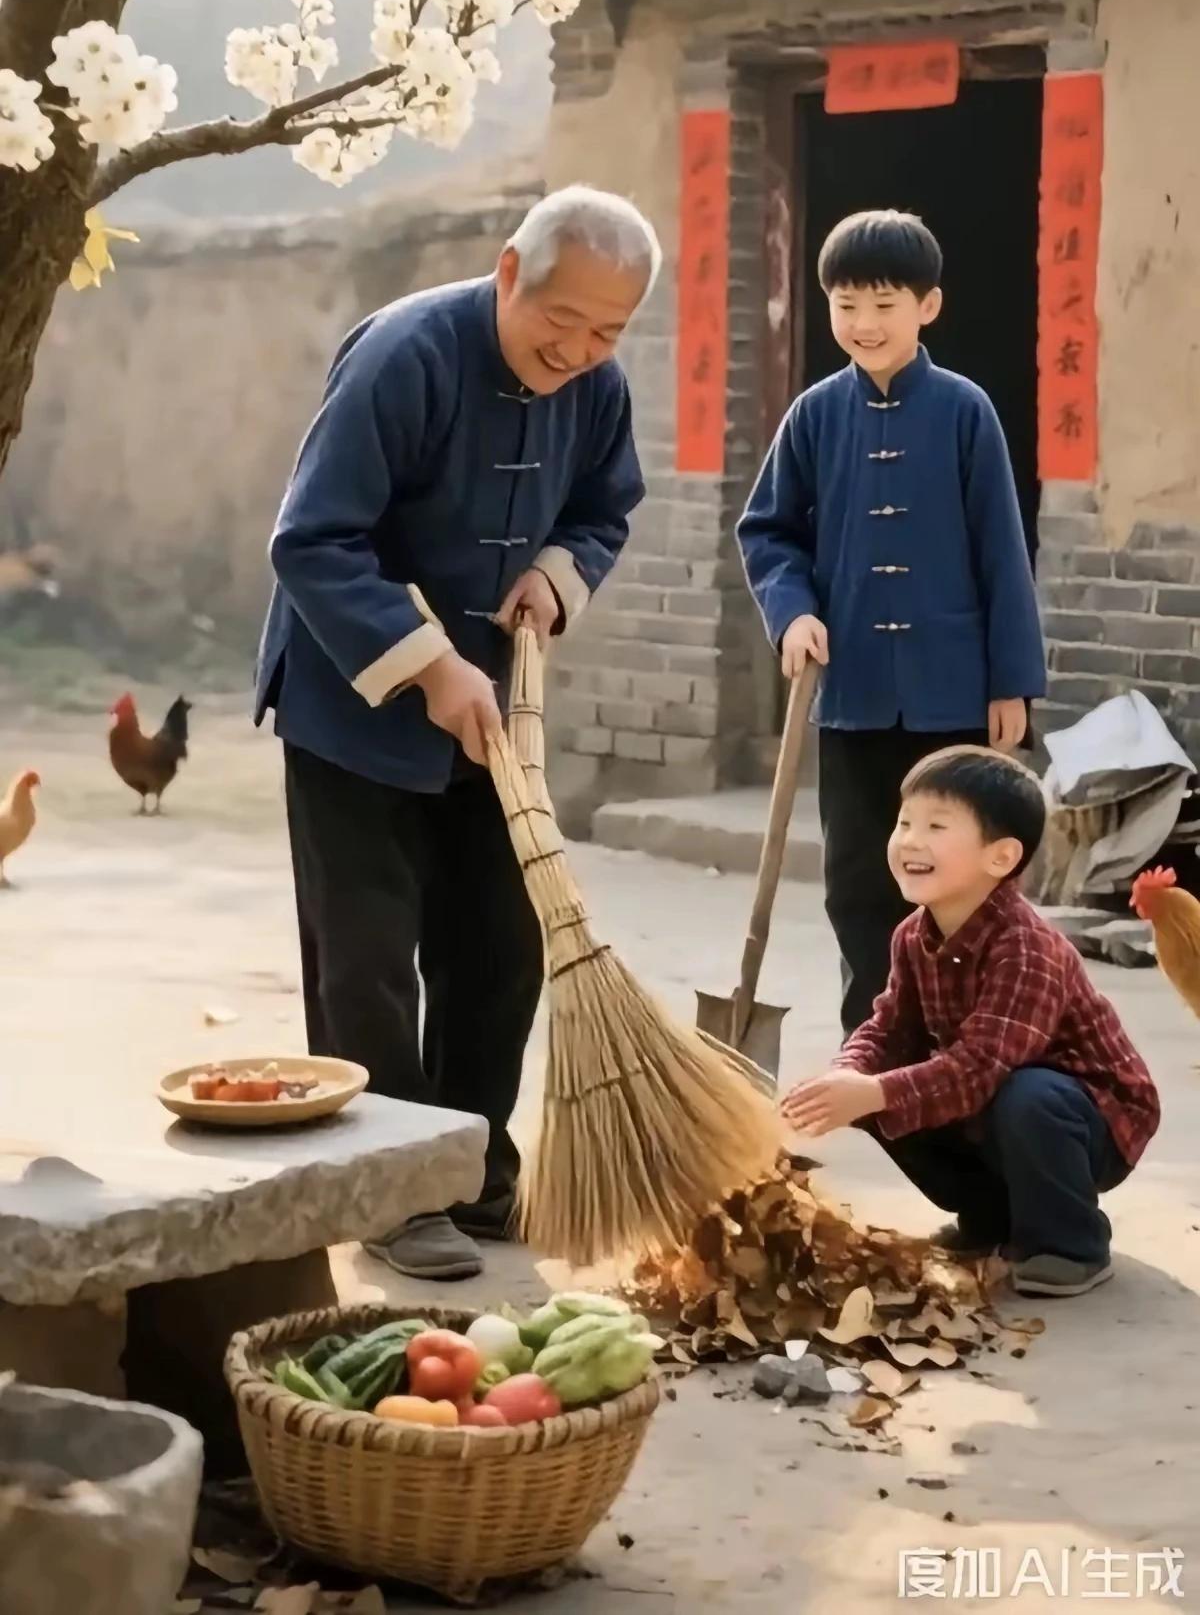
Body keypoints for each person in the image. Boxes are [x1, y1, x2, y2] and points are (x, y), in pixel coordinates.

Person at [256, 184, 659, 1282]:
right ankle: (388, 1187)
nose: (577, 349)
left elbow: (603, 507)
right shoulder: (403, 356)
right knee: (369, 956)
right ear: (508, 271)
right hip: (354, 698)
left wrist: (555, 575)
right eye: (561, 320)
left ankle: (471, 1165)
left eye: (608, 331)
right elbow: (311, 538)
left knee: (499, 942)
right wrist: (427, 664)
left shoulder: (599, 388)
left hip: (492, 702)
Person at [737, 209, 1046, 1035]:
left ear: (928, 307)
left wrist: (1012, 680)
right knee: (859, 881)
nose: (864, 324)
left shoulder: (964, 411)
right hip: (851, 699)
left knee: (956, 877)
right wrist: (792, 613)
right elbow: (767, 531)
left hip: (952, 696)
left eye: (884, 302)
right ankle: (871, 1044)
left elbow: (1003, 551)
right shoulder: (812, 415)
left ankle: (969, 1040)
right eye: (845, 304)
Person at [782, 747, 1160, 1297]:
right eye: (904, 822)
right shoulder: (913, 935)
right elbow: (887, 1029)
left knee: (1023, 1094)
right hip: (998, 1102)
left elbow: (982, 1065)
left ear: (1001, 858)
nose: (910, 839)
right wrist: (844, 1078)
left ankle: (1072, 1242)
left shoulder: (1026, 948)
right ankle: (991, 1217)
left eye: (936, 826)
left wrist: (876, 1091)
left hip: (1089, 1118)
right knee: (875, 1089)